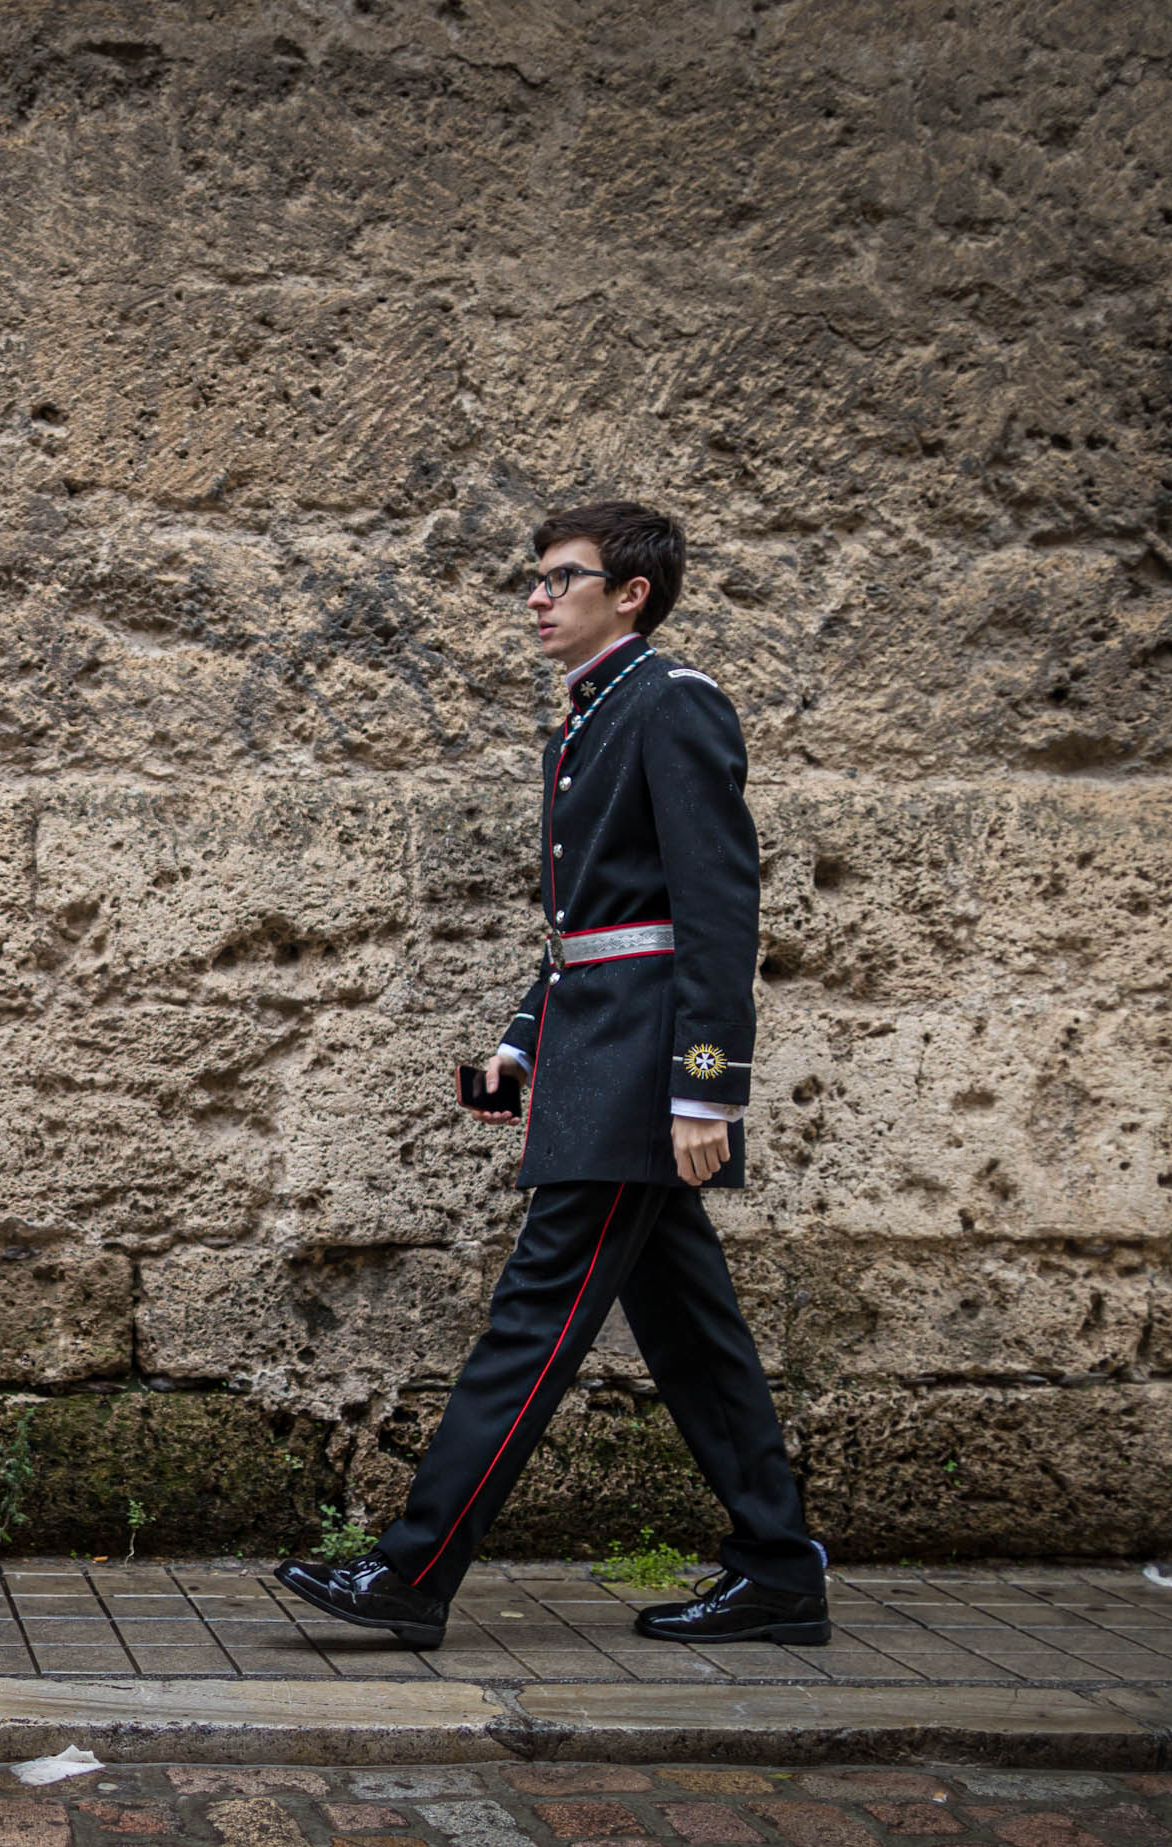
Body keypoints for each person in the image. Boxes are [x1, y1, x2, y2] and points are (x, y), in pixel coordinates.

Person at [274, 501, 830, 1650]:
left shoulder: (672, 705)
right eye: (532, 580)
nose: (535, 596)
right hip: (598, 1057)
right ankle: (777, 1568)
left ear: (629, 592)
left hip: (639, 1080)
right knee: (689, 1333)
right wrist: (522, 1040)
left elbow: (717, 914)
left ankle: (410, 1572)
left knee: (530, 1323)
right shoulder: (585, 723)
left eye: (559, 578)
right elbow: (590, 923)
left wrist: (703, 1089)